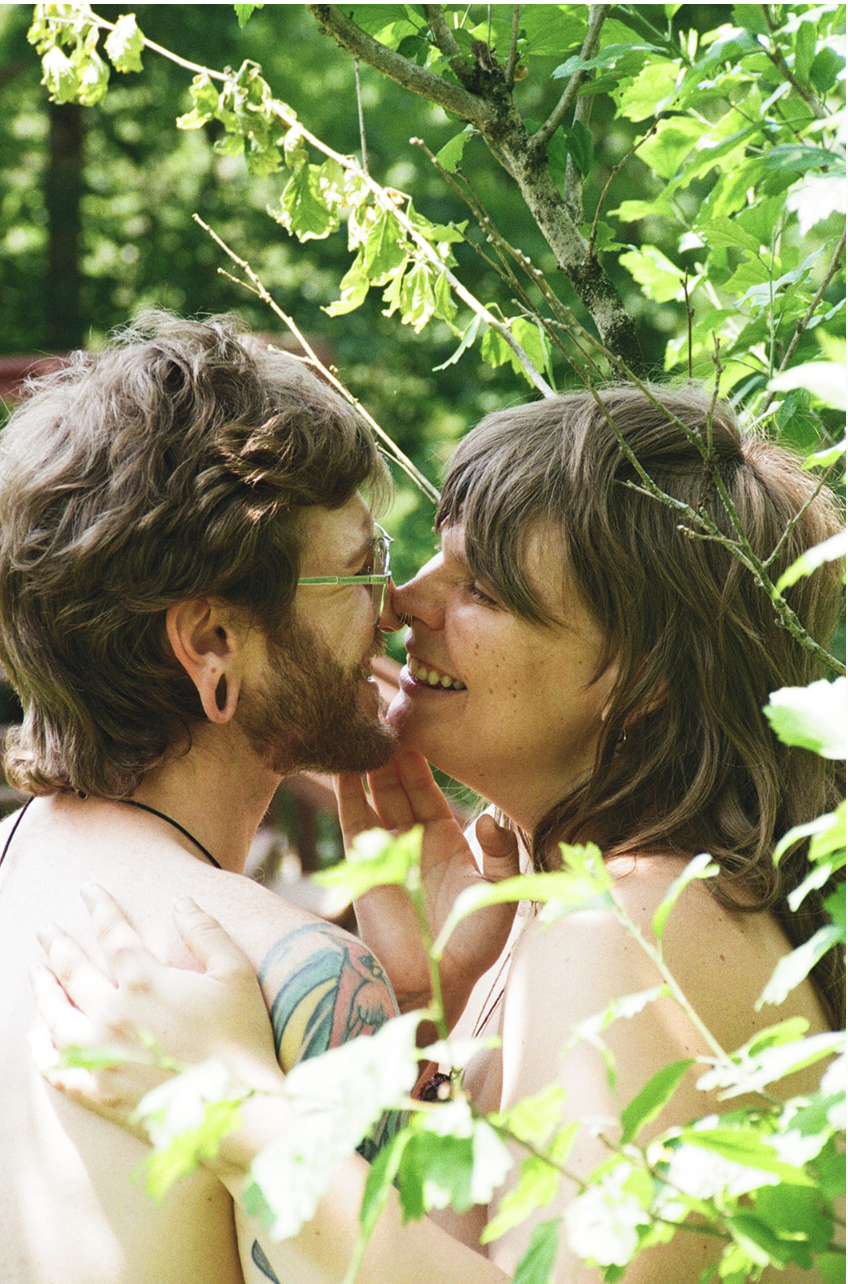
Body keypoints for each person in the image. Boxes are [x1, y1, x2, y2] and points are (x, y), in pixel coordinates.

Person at [29, 384, 845, 1283]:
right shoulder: (584, 912)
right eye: (430, 555)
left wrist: (235, 1111)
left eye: (482, 590)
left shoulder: (627, 927)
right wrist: (431, 1011)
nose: (406, 600)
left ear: (644, 679)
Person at [0, 311, 521, 1284]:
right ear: (211, 646)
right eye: (361, 566)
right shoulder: (292, 978)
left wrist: (417, 1004)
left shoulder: (17, 870)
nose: (396, 600)